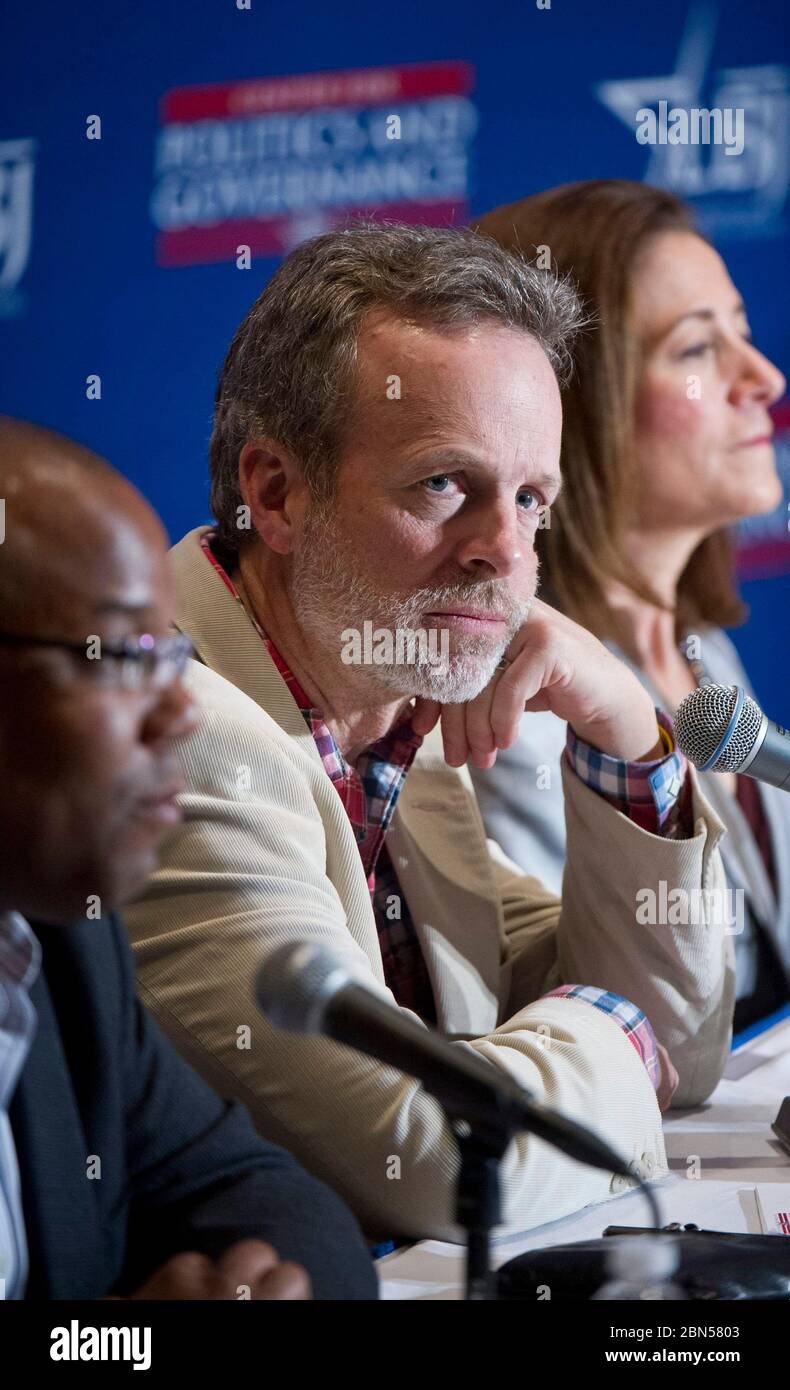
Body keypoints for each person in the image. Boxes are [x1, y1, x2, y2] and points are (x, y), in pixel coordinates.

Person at [124, 221, 735, 1243]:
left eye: (530, 497)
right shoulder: (181, 735)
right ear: (275, 493)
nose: (502, 551)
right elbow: (433, 1158)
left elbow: (681, 1045)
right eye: (443, 484)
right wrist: (612, 1038)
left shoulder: (388, 708)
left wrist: (629, 734)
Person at [0, 417, 377, 1300]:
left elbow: (277, 1205)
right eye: (123, 656)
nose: (181, 714)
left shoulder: (60, 950)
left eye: (171, 654)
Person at [469, 180, 789, 1034]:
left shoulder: (699, 649)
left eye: (745, 336)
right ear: (571, 406)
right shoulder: (524, 704)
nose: (764, 378)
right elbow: (592, 1010)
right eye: (696, 351)